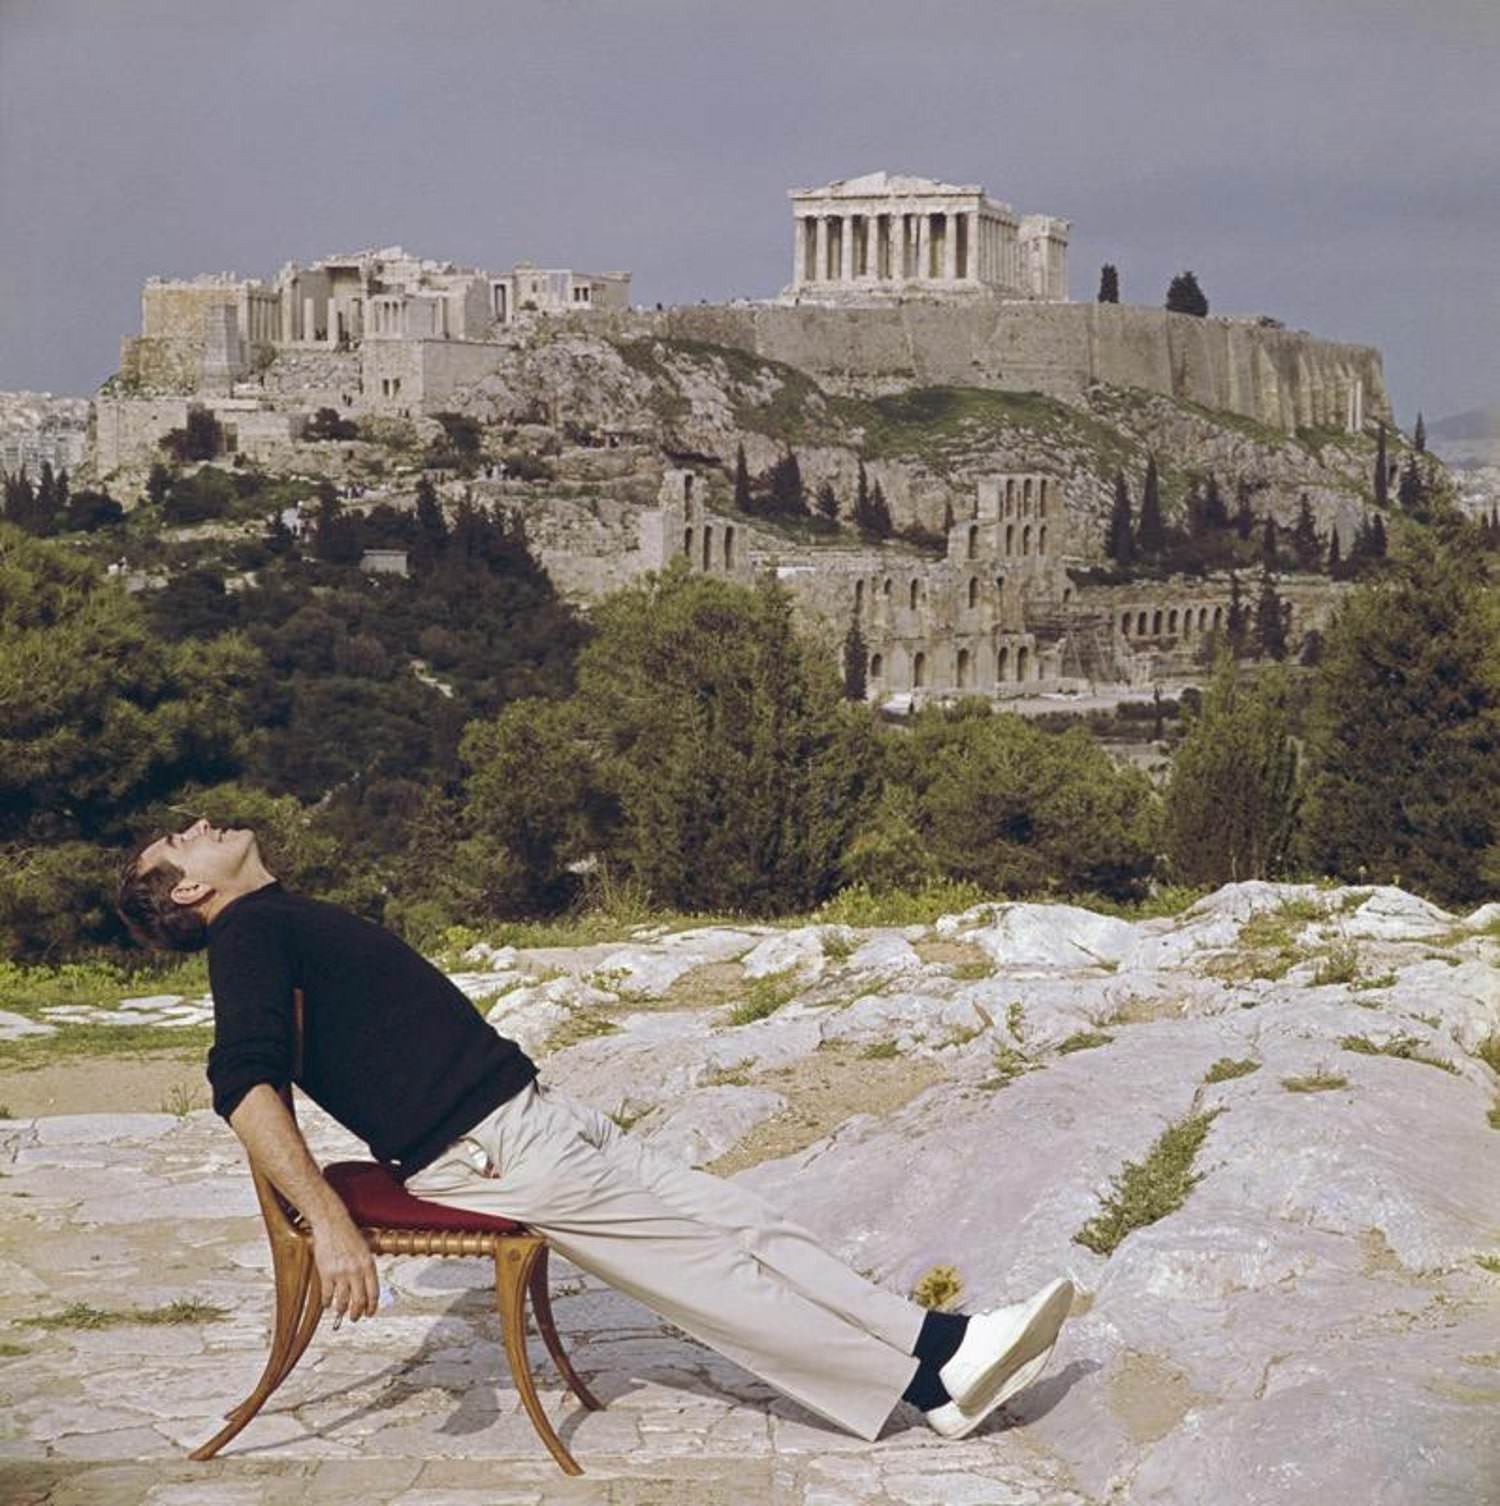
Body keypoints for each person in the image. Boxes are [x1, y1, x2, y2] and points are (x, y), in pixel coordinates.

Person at [117, 819, 1074, 1442]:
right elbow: (242, 1084)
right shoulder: (246, 936)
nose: (199, 827)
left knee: (744, 1226)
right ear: (192, 895)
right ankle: (928, 1391)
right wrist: (326, 1223)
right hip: (491, 1150)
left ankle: (944, 1341)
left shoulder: (279, 918)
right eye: (179, 843)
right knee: (712, 1275)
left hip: (536, 1117)